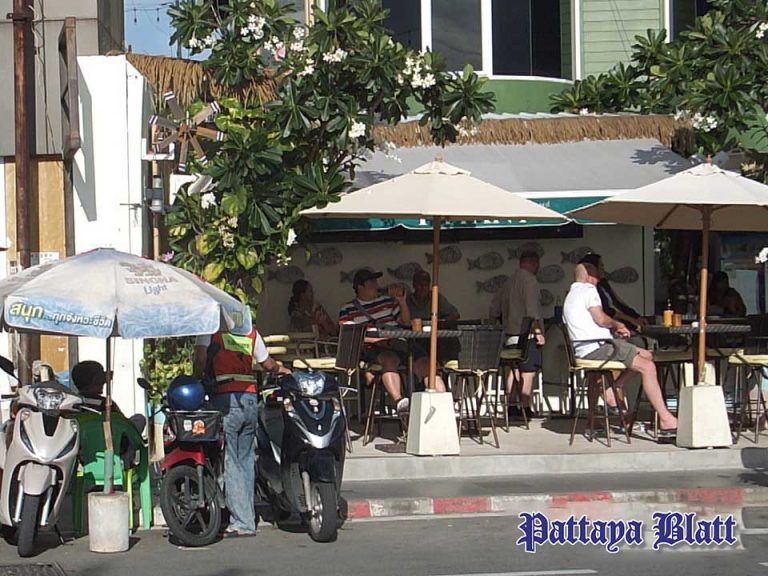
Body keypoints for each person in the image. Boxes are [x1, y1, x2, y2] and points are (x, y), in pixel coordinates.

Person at [193, 327, 290, 538]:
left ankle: (242, 523)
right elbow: (267, 363)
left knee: (232, 460)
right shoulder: (250, 332)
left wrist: (195, 379)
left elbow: (200, 360)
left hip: (226, 400)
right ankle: (246, 516)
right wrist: (283, 370)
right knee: (245, 460)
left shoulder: (210, 329)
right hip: (249, 400)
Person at [563, 263, 678, 434]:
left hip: (585, 349)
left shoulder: (570, 296)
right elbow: (601, 318)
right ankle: (666, 419)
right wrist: (618, 325)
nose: (599, 280)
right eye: (597, 276)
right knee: (648, 367)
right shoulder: (588, 290)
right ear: (589, 277)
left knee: (647, 355)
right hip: (598, 347)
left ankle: (614, 388)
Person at [338, 268, 446, 413]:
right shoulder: (348, 309)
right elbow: (349, 336)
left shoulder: (387, 301)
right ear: (360, 287)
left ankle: (443, 404)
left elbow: (406, 322)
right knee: (389, 360)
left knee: (427, 363)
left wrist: (402, 302)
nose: (376, 285)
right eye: (372, 282)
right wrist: (375, 338)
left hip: (399, 342)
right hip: (373, 347)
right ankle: (400, 402)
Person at [489, 250, 545, 419]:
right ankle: (525, 407)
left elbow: (494, 309)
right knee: (528, 371)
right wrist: (538, 332)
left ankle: (511, 405)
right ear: (533, 263)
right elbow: (532, 311)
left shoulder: (508, 282)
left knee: (512, 369)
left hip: (508, 335)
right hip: (526, 336)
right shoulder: (530, 281)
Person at [578, 253, 647, 331]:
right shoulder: (589, 289)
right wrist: (630, 320)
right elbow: (607, 311)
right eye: (601, 266)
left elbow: (617, 301)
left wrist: (636, 316)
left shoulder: (603, 283)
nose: (603, 269)